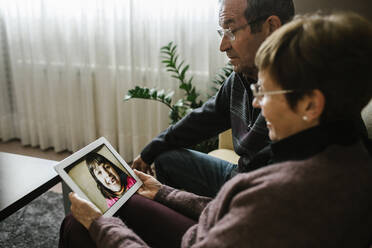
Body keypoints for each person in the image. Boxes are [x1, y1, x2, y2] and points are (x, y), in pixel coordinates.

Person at [60, 12, 372, 248]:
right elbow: (243, 211)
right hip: (217, 225)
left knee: (80, 224)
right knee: (129, 200)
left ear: (310, 105)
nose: (259, 104)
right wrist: (163, 192)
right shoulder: (348, 157)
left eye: (265, 91)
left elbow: (255, 208)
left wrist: (100, 224)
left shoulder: (283, 194)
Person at [132, 0, 296, 198]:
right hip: (240, 177)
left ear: (271, 27)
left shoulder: (296, 99)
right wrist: (149, 151)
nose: (223, 46)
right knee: (165, 158)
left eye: (232, 31)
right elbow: (202, 120)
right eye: (222, 33)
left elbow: (268, 199)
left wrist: (167, 196)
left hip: (259, 196)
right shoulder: (241, 78)